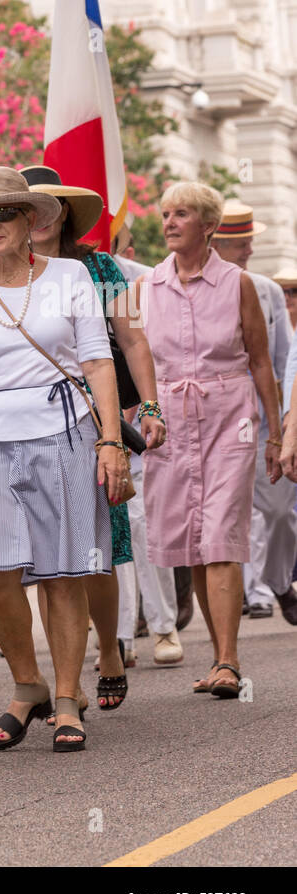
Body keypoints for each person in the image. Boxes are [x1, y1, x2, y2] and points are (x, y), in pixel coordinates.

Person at [0, 166, 129, 753]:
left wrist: (112, 441)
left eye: (3, 214)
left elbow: (98, 362)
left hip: (66, 433)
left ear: (31, 221)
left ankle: (67, 697)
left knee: (65, 570)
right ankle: (28, 684)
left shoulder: (71, 276)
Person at [21, 165, 173, 708]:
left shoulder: (101, 266)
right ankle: (64, 679)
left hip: (95, 419)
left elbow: (133, 341)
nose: (36, 218)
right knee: (43, 552)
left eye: (46, 207)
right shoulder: (4, 271)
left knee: (99, 546)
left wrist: (148, 406)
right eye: (26, 207)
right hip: (25, 423)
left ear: (62, 214)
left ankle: (109, 647)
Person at [135, 181, 282, 700]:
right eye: (166, 213)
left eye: (183, 214)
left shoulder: (238, 283)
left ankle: (228, 661)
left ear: (208, 225)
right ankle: (219, 655)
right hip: (169, 421)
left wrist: (275, 433)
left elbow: (261, 361)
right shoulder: (146, 287)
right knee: (194, 543)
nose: (170, 222)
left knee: (220, 533)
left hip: (229, 416)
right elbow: (139, 364)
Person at [210, 201, 297, 624]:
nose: (247, 250)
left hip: (264, 419)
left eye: (248, 242)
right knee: (229, 515)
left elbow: (282, 362)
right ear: (215, 241)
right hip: (216, 420)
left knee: (280, 511)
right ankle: (247, 594)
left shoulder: (266, 290)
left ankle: (279, 581)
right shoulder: (189, 287)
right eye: (240, 243)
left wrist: (285, 424)